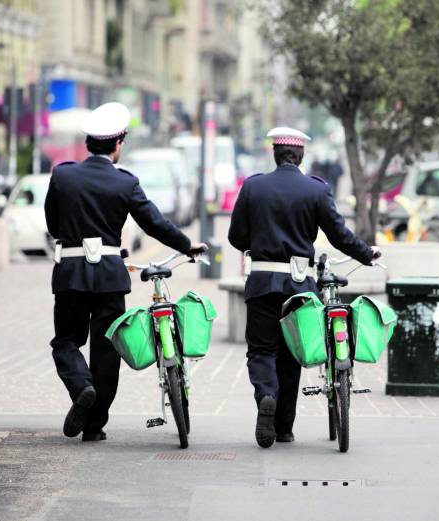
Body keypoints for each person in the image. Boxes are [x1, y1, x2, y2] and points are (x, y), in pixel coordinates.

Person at [44, 102, 207, 442]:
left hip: (71, 272)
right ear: (118, 143)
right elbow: (155, 223)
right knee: (106, 351)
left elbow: (52, 223)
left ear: (89, 142)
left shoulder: (62, 176)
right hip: (109, 275)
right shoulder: (125, 183)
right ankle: (94, 424)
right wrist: (186, 245)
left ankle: (81, 387)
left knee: (66, 342)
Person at [228, 127, 381, 448]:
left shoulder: (254, 187)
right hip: (300, 286)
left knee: (260, 350)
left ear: (274, 153)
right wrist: (366, 254)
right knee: (290, 355)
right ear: (301, 156)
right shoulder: (315, 190)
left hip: (261, 281)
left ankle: (266, 395)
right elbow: (339, 235)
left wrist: (257, 243)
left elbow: (235, 238)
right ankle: (283, 428)